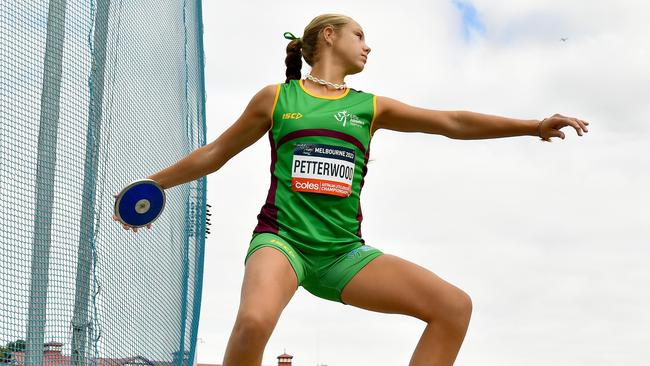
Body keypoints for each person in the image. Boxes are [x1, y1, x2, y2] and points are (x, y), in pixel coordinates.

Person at [113, 13, 589, 366]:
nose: (368, 46)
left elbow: (451, 121)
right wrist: (154, 184)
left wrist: (531, 126)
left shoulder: (370, 107)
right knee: (255, 321)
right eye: (360, 35)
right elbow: (216, 152)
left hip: (343, 254)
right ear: (329, 36)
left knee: (454, 307)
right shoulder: (278, 99)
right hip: (283, 242)